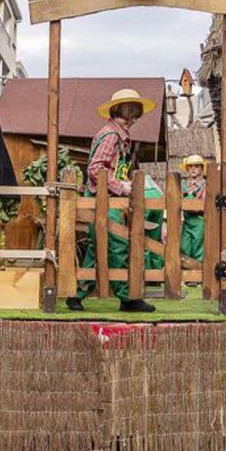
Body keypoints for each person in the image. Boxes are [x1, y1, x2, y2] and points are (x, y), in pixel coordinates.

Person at [69, 88, 160, 313]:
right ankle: (128, 298)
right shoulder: (111, 135)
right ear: (119, 111)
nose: (133, 117)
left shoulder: (119, 135)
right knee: (118, 245)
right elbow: (96, 168)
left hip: (106, 200)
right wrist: (121, 186)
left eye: (136, 112)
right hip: (104, 201)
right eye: (130, 111)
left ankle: (76, 295)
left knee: (96, 246)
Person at [178, 155, 206, 264]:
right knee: (185, 246)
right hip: (187, 221)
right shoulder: (183, 185)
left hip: (199, 221)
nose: (193, 169)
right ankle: (186, 274)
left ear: (201, 168)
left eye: (196, 166)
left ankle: (197, 275)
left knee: (198, 248)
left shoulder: (205, 185)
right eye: (190, 166)